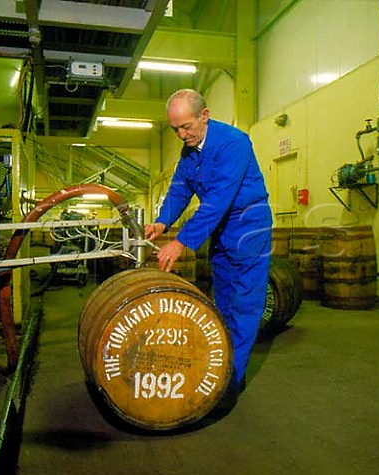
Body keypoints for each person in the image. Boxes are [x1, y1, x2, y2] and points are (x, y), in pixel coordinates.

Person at [144, 88, 272, 397]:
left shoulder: (234, 143)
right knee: (223, 300)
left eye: (185, 126)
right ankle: (219, 365)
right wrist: (163, 221)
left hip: (247, 225)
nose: (180, 134)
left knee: (243, 304)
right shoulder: (189, 152)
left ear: (205, 115)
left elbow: (217, 201)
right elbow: (179, 189)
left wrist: (181, 242)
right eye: (174, 128)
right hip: (222, 227)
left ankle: (230, 383)